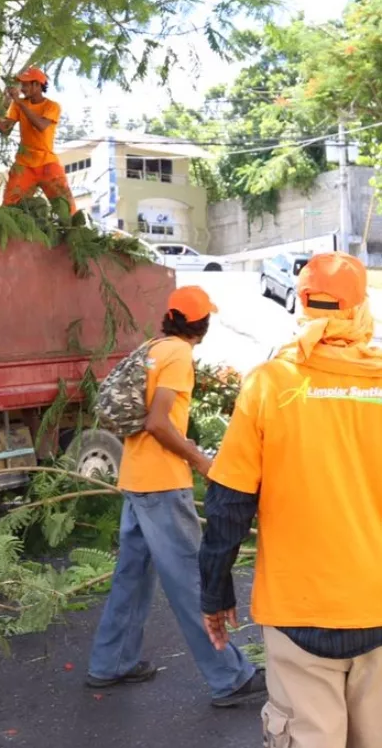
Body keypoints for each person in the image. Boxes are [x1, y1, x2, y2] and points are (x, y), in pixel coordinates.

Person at [200, 252, 382, 746]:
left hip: (298, 612)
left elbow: (228, 502)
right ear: (361, 305)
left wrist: (215, 595)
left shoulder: (270, 383)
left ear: (300, 303)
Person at [87, 286, 264, 708]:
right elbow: (157, 422)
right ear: (201, 324)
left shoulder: (153, 347)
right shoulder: (179, 356)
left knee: (132, 578)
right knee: (192, 581)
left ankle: (111, 662)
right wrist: (204, 463)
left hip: (136, 479)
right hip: (162, 484)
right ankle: (230, 677)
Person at [0, 67, 76, 214]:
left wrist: (19, 102)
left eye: (25, 85)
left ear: (37, 85)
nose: (22, 88)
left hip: (47, 164)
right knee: (9, 209)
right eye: (21, 85)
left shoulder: (52, 106)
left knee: (67, 209)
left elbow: (41, 125)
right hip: (24, 164)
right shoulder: (18, 105)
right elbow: (6, 130)